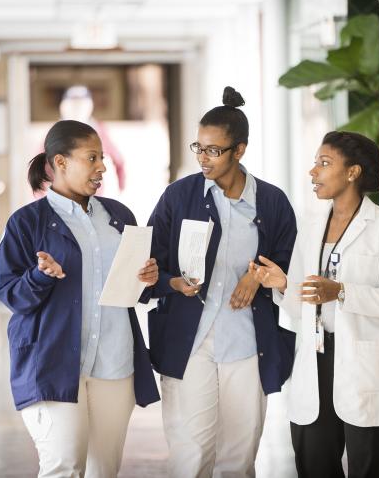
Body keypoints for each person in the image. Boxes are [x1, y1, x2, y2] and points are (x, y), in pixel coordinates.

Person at [0, 120, 159, 478]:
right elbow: (8, 292)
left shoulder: (119, 216)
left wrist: (147, 280)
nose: (102, 166)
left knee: (105, 470)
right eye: (92, 158)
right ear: (61, 162)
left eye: (102, 158)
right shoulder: (27, 223)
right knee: (63, 466)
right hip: (52, 363)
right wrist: (40, 277)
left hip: (115, 363)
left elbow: (132, 287)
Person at [147, 87, 297, 478]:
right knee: (191, 453)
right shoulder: (178, 197)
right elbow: (149, 265)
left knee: (240, 453)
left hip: (247, 342)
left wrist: (257, 275)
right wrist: (172, 282)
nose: (203, 157)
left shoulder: (272, 202)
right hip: (189, 341)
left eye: (214, 150)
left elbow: (288, 265)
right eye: (199, 147)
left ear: (239, 150)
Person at [249, 131, 379, 478]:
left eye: (324, 164)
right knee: (314, 464)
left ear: (352, 172)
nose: (313, 172)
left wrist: (340, 291)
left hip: (364, 363)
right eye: (315, 163)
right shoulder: (311, 226)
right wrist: (281, 283)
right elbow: (299, 305)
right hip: (316, 358)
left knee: (372, 467)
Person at [60, 85, 127, 195]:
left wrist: (121, 187)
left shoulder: (99, 131)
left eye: (81, 104)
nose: (77, 108)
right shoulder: (54, 133)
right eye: (74, 104)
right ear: (64, 106)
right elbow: (37, 165)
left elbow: (118, 160)